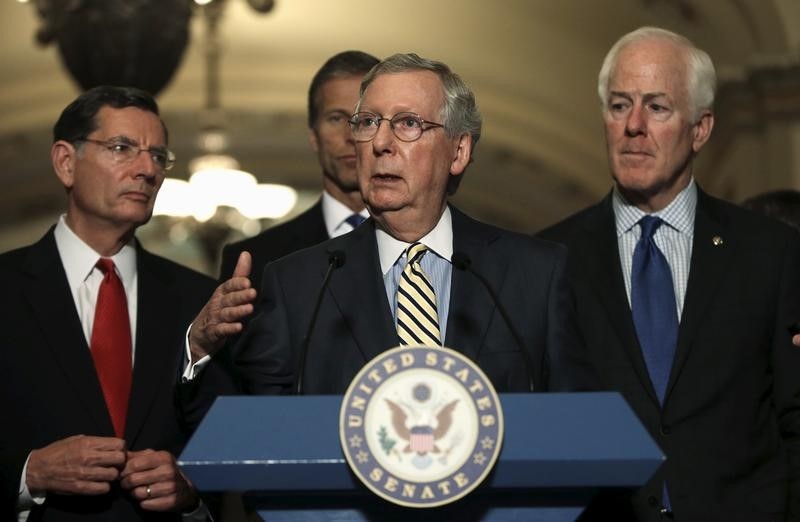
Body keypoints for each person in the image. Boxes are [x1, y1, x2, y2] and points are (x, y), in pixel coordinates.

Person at [180, 53, 594, 427]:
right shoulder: (299, 284)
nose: (380, 143)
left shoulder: (534, 274)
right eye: (367, 123)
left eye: (408, 123)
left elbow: (579, 427)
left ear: (459, 151)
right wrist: (199, 349)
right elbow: (249, 433)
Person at [539, 27, 800, 521]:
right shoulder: (548, 259)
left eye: (657, 107)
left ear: (700, 129)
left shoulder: (771, 253)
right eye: (619, 106)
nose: (633, 125)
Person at [0, 86, 216, 521]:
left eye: (158, 155)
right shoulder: (6, 287)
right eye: (122, 148)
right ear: (66, 162)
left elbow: (228, 444)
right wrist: (28, 472)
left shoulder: (199, 300)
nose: (147, 170)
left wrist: (191, 493)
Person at [218, 50, 379, 291]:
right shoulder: (256, 259)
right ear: (313, 136)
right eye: (336, 119)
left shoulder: (428, 242)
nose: (351, 136)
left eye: (366, 120)